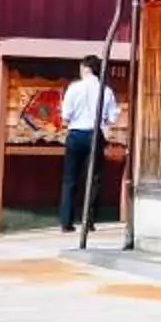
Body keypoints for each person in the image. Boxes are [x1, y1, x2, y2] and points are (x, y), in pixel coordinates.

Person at [57, 55, 119, 235]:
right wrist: (104, 120)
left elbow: (66, 115)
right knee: (94, 179)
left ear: (86, 68)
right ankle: (88, 221)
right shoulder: (105, 90)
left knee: (70, 179)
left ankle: (66, 222)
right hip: (95, 134)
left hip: (76, 133)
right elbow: (112, 117)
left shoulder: (74, 88)